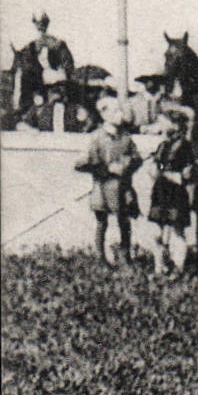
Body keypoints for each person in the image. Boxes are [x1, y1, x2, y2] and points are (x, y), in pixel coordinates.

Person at [79, 96, 139, 267]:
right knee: (102, 222)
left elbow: (137, 158)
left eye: (120, 110)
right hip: (102, 187)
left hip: (122, 187)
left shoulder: (126, 138)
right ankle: (100, 257)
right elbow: (85, 163)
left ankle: (125, 255)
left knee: (124, 221)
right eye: (115, 111)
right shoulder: (96, 137)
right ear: (104, 114)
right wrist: (107, 169)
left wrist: (127, 165)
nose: (120, 115)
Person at [146, 109, 198, 278]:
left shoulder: (185, 146)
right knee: (156, 231)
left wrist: (172, 175)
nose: (161, 126)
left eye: (164, 122)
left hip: (176, 193)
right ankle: (159, 267)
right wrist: (153, 169)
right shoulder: (163, 145)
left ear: (175, 125)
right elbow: (155, 164)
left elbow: (189, 173)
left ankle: (178, 267)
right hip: (160, 191)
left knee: (177, 231)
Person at [12, 11, 75, 130]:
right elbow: (26, 70)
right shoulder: (29, 48)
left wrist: (58, 75)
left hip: (57, 87)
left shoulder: (58, 45)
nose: (40, 27)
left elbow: (68, 67)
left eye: (43, 24)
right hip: (38, 87)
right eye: (37, 24)